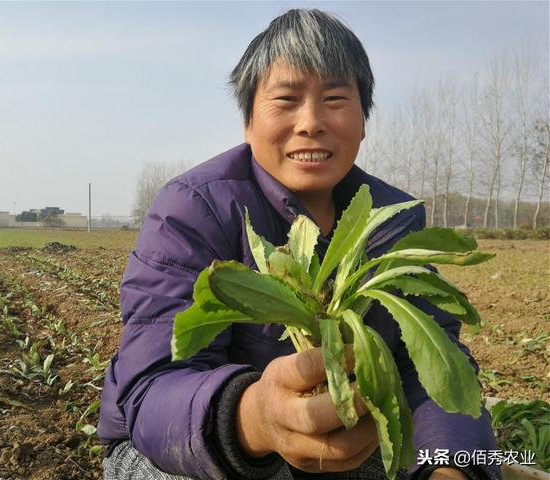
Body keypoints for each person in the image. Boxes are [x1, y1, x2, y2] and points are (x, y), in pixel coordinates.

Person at [98, 9, 501, 480]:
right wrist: (255, 418)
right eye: (286, 99)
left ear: (363, 119)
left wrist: (453, 468)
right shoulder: (192, 208)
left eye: (335, 98)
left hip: (343, 435)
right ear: (248, 122)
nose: (310, 122)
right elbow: (153, 386)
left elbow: (433, 369)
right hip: (193, 447)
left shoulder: (393, 219)